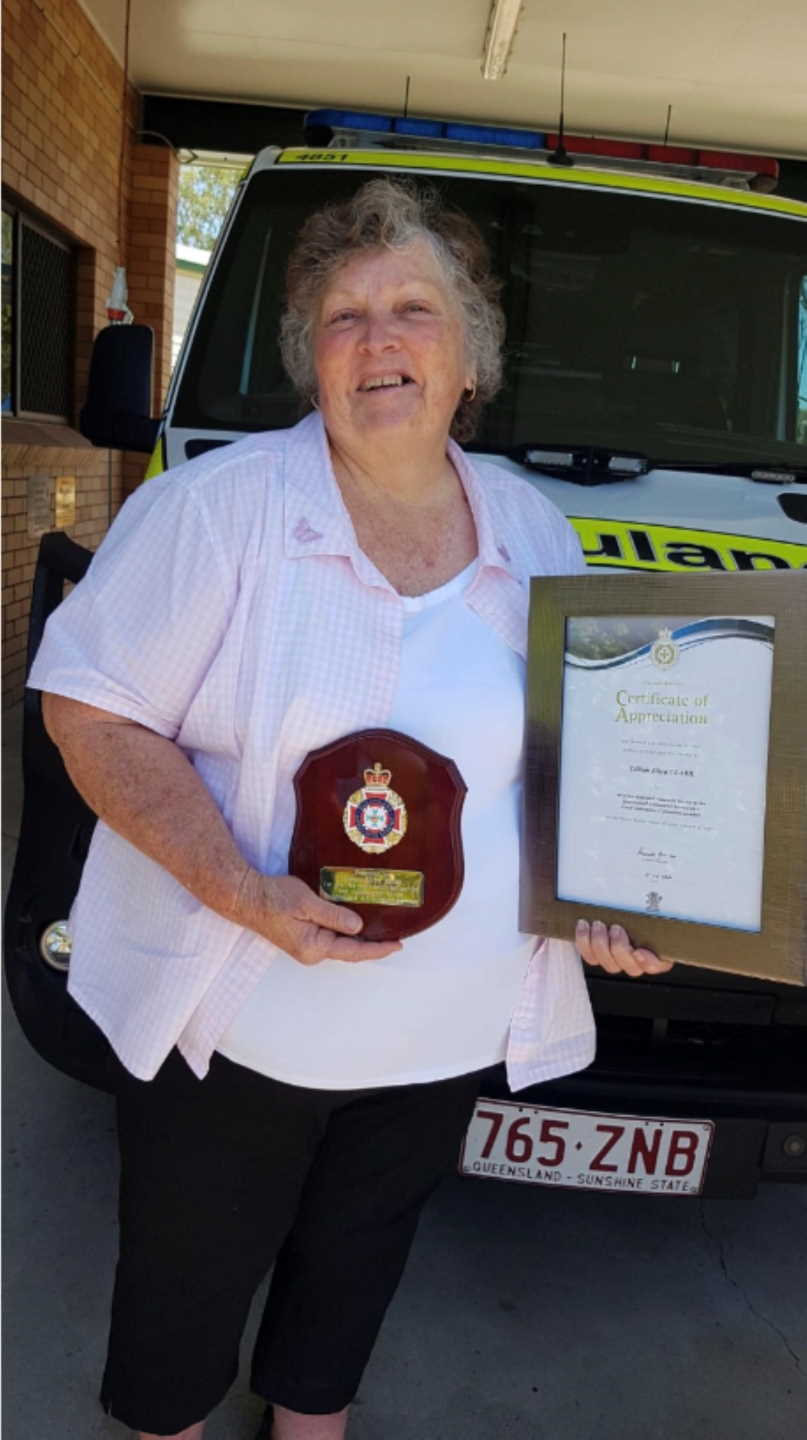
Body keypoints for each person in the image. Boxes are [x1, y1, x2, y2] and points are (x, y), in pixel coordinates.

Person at [30, 178, 673, 1440]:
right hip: (238, 1021)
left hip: (445, 1029)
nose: (380, 341)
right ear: (310, 358)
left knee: (360, 1256)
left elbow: (581, 767)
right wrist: (240, 887)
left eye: (414, 309)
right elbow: (89, 716)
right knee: (183, 1285)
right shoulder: (212, 512)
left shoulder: (537, 533)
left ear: (471, 357)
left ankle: (309, 1423)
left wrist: (615, 896)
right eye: (345, 317)